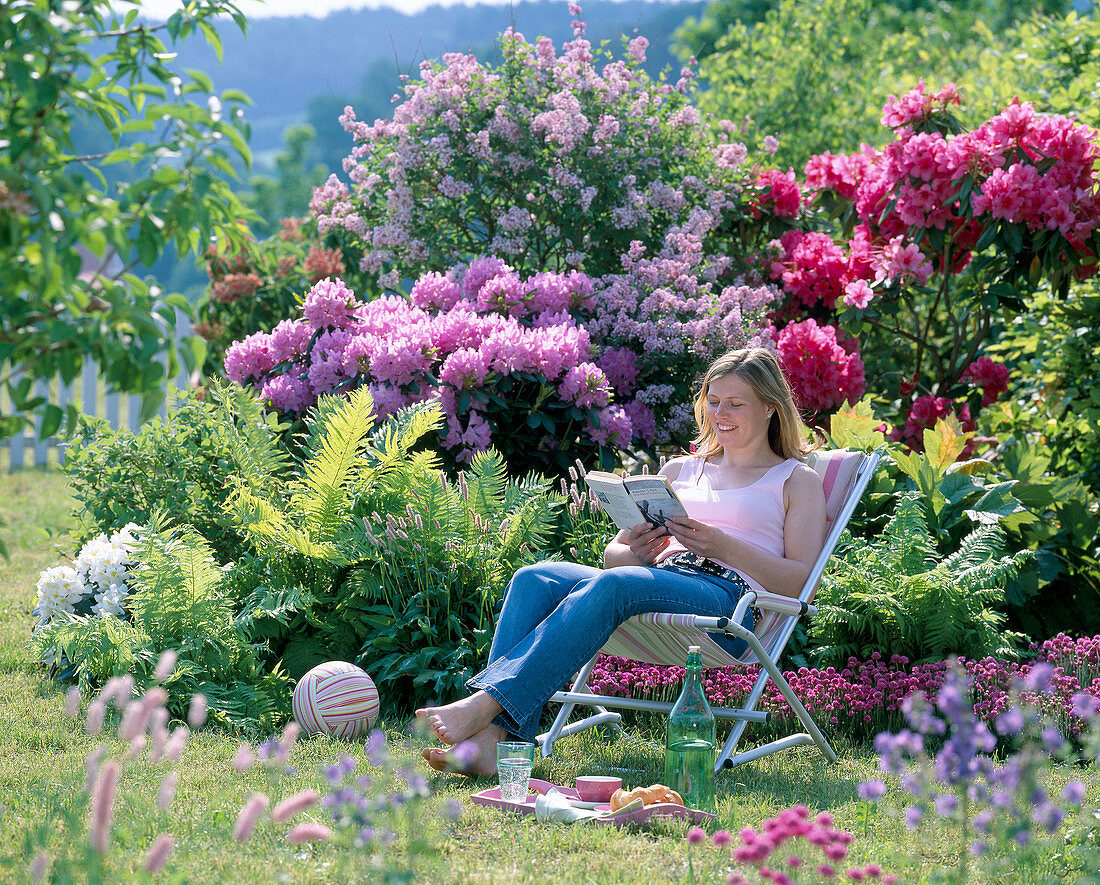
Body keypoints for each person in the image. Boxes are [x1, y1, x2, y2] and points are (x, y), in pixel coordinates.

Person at [417, 347, 827, 775]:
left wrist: (724, 547)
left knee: (619, 585)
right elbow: (613, 558)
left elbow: (802, 584)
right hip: (657, 576)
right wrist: (637, 550)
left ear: (769, 408)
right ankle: (497, 744)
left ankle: (483, 705)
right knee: (534, 578)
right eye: (713, 400)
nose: (720, 412)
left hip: (727, 602)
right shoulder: (680, 470)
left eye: (735, 404)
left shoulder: (796, 479)